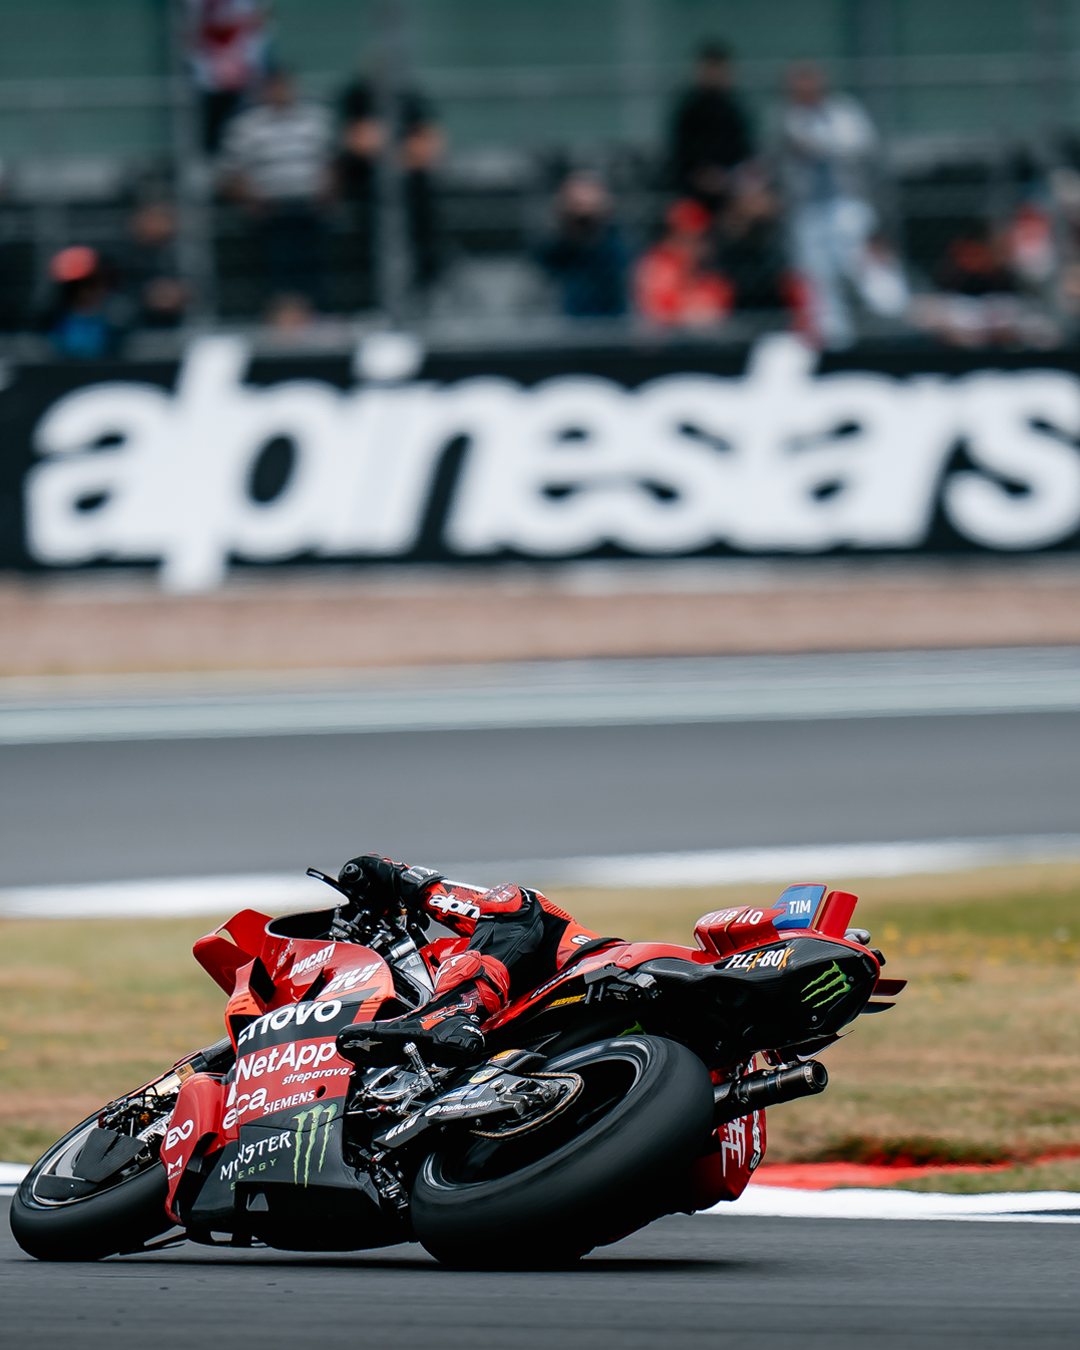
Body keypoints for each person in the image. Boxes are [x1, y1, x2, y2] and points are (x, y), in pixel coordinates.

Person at [331, 853, 609, 1064]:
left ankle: (452, 1011)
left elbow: (512, 905)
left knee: (513, 899)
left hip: (593, 967)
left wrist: (409, 882)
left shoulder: (538, 934)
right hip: (576, 1039)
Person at [778, 61, 905, 347]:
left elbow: (859, 145)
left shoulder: (844, 112)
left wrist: (820, 144)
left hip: (847, 204)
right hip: (808, 210)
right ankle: (836, 342)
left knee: (863, 265)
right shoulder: (789, 118)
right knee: (818, 279)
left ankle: (896, 321)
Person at [220, 68, 333, 312]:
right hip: (271, 210)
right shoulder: (247, 125)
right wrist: (250, 201)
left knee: (313, 267)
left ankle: (316, 314)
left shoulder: (313, 119)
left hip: (309, 206)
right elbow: (231, 172)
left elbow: (330, 162)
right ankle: (283, 320)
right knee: (279, 269)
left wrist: (328, 195)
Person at [335, 70, 445, 294]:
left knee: (424, 232)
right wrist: (402, 152)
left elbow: (430, 145)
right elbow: (359, 143)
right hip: (367, 190)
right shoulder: (357, 96)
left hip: (412, 190)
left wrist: (386, 151)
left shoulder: (409, 96)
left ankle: (421, 288)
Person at [669, 41, 753, 208]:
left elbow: (745, 152)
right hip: (692, 189)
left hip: (732, 185)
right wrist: (702, 174)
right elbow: (680, 155)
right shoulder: (688, 109)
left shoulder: (736, 109)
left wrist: (731, 177)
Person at [536, 172, 628, 318]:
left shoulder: (619, 253)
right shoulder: (551, 254)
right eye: (576, 209)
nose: (584, 220)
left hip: (611, 331)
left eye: (590, 215)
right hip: (562, 332)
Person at [634, 198, 733, 329]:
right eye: (685, 236)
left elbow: (720, 303)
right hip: (667, 342)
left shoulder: (707, 267)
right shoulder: (656, 263)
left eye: (700, 237)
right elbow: (660, 312)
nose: (695, 243)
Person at [186, 0, 270, 153]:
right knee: (216, 135)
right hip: (213, 84)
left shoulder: (246, 16)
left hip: (244, 81)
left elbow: (258, 30)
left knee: (246, 128)